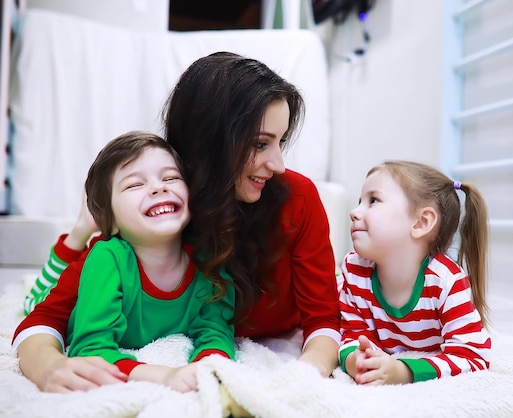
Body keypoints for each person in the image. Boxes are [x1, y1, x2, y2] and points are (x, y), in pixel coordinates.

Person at [13, 51, 340, 393]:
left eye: (281, 141)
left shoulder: (297, 197)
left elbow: (323, 319)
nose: (278, 164)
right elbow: (45, 316)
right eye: (260, 144)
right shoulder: (167, 210)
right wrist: (50, 367)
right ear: (212, 141)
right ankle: (76, 234)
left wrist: (305, 374)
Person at [36, 131, 235, 392]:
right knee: (33, 299)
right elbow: (90, 349)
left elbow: (217, 331)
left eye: (171, 177)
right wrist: (164, 376)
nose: (158, 187)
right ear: (112, 220)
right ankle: (80, 231)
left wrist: (208, 367)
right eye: (134, 185)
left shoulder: (209, 260)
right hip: (55, 295)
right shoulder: (107, 258)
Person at [338, 160, 491, 385]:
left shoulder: (446, 282)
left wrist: (403, 371)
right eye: (359, 201)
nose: (354, 212)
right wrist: (355, 359)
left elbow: (473, 356)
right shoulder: (354, 269)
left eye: (373, 201)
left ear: (421, 222)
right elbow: (351, 333)